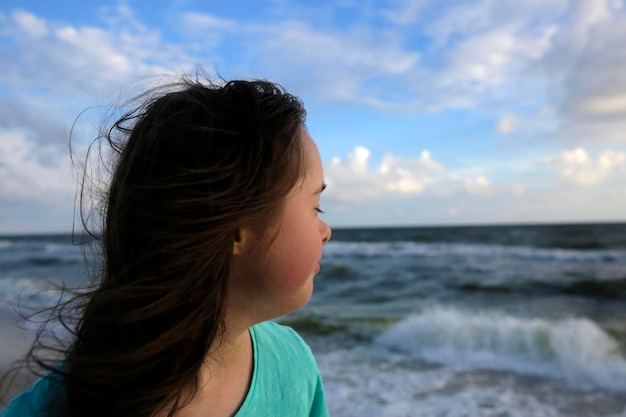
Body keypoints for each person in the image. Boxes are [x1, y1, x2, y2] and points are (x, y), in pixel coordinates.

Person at [0, 75, 332, 417]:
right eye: (315, 208)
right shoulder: (57, 407)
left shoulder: (294, 363)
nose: (325, 231)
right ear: (235, 229)